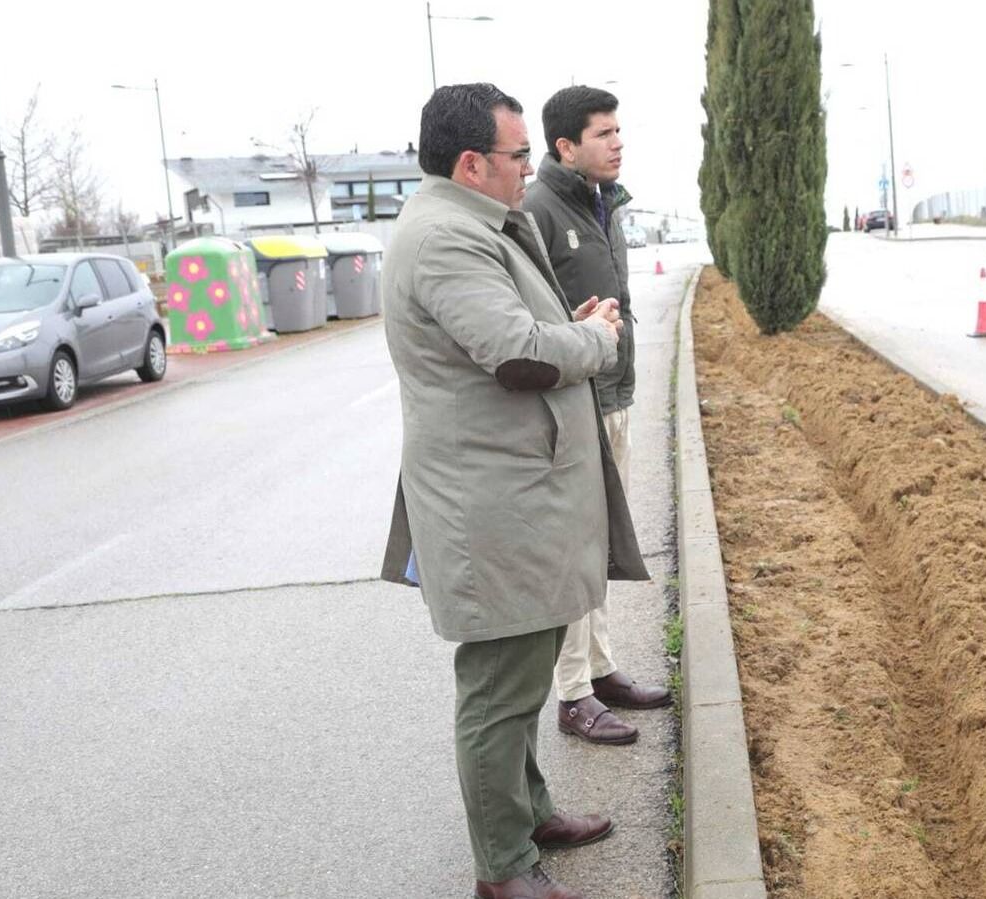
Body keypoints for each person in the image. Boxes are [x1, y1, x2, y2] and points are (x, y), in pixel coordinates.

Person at [379, 81, 650, 899]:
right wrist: (593, 339)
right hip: (490, 504)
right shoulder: (444, 238)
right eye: (518, 153)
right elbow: (517, 354)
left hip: (515, 494)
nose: (528, 166)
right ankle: (503, 867)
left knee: (524, 671)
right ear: (471, 162)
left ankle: (528, 814)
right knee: (498, 690)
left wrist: (575, 324)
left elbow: (526, 329)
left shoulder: (477, 222)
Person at [522, 85, 670, 747]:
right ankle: (573, 693)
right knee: (576, 553)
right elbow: (524, 316)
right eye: (603, 133)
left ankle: (602, 669)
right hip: (573, 406)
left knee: (601, 544)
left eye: (618, 131)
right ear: (565, 146)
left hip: (612, 395)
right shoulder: (539, 210)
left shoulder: (603, 203)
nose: (617, 143)